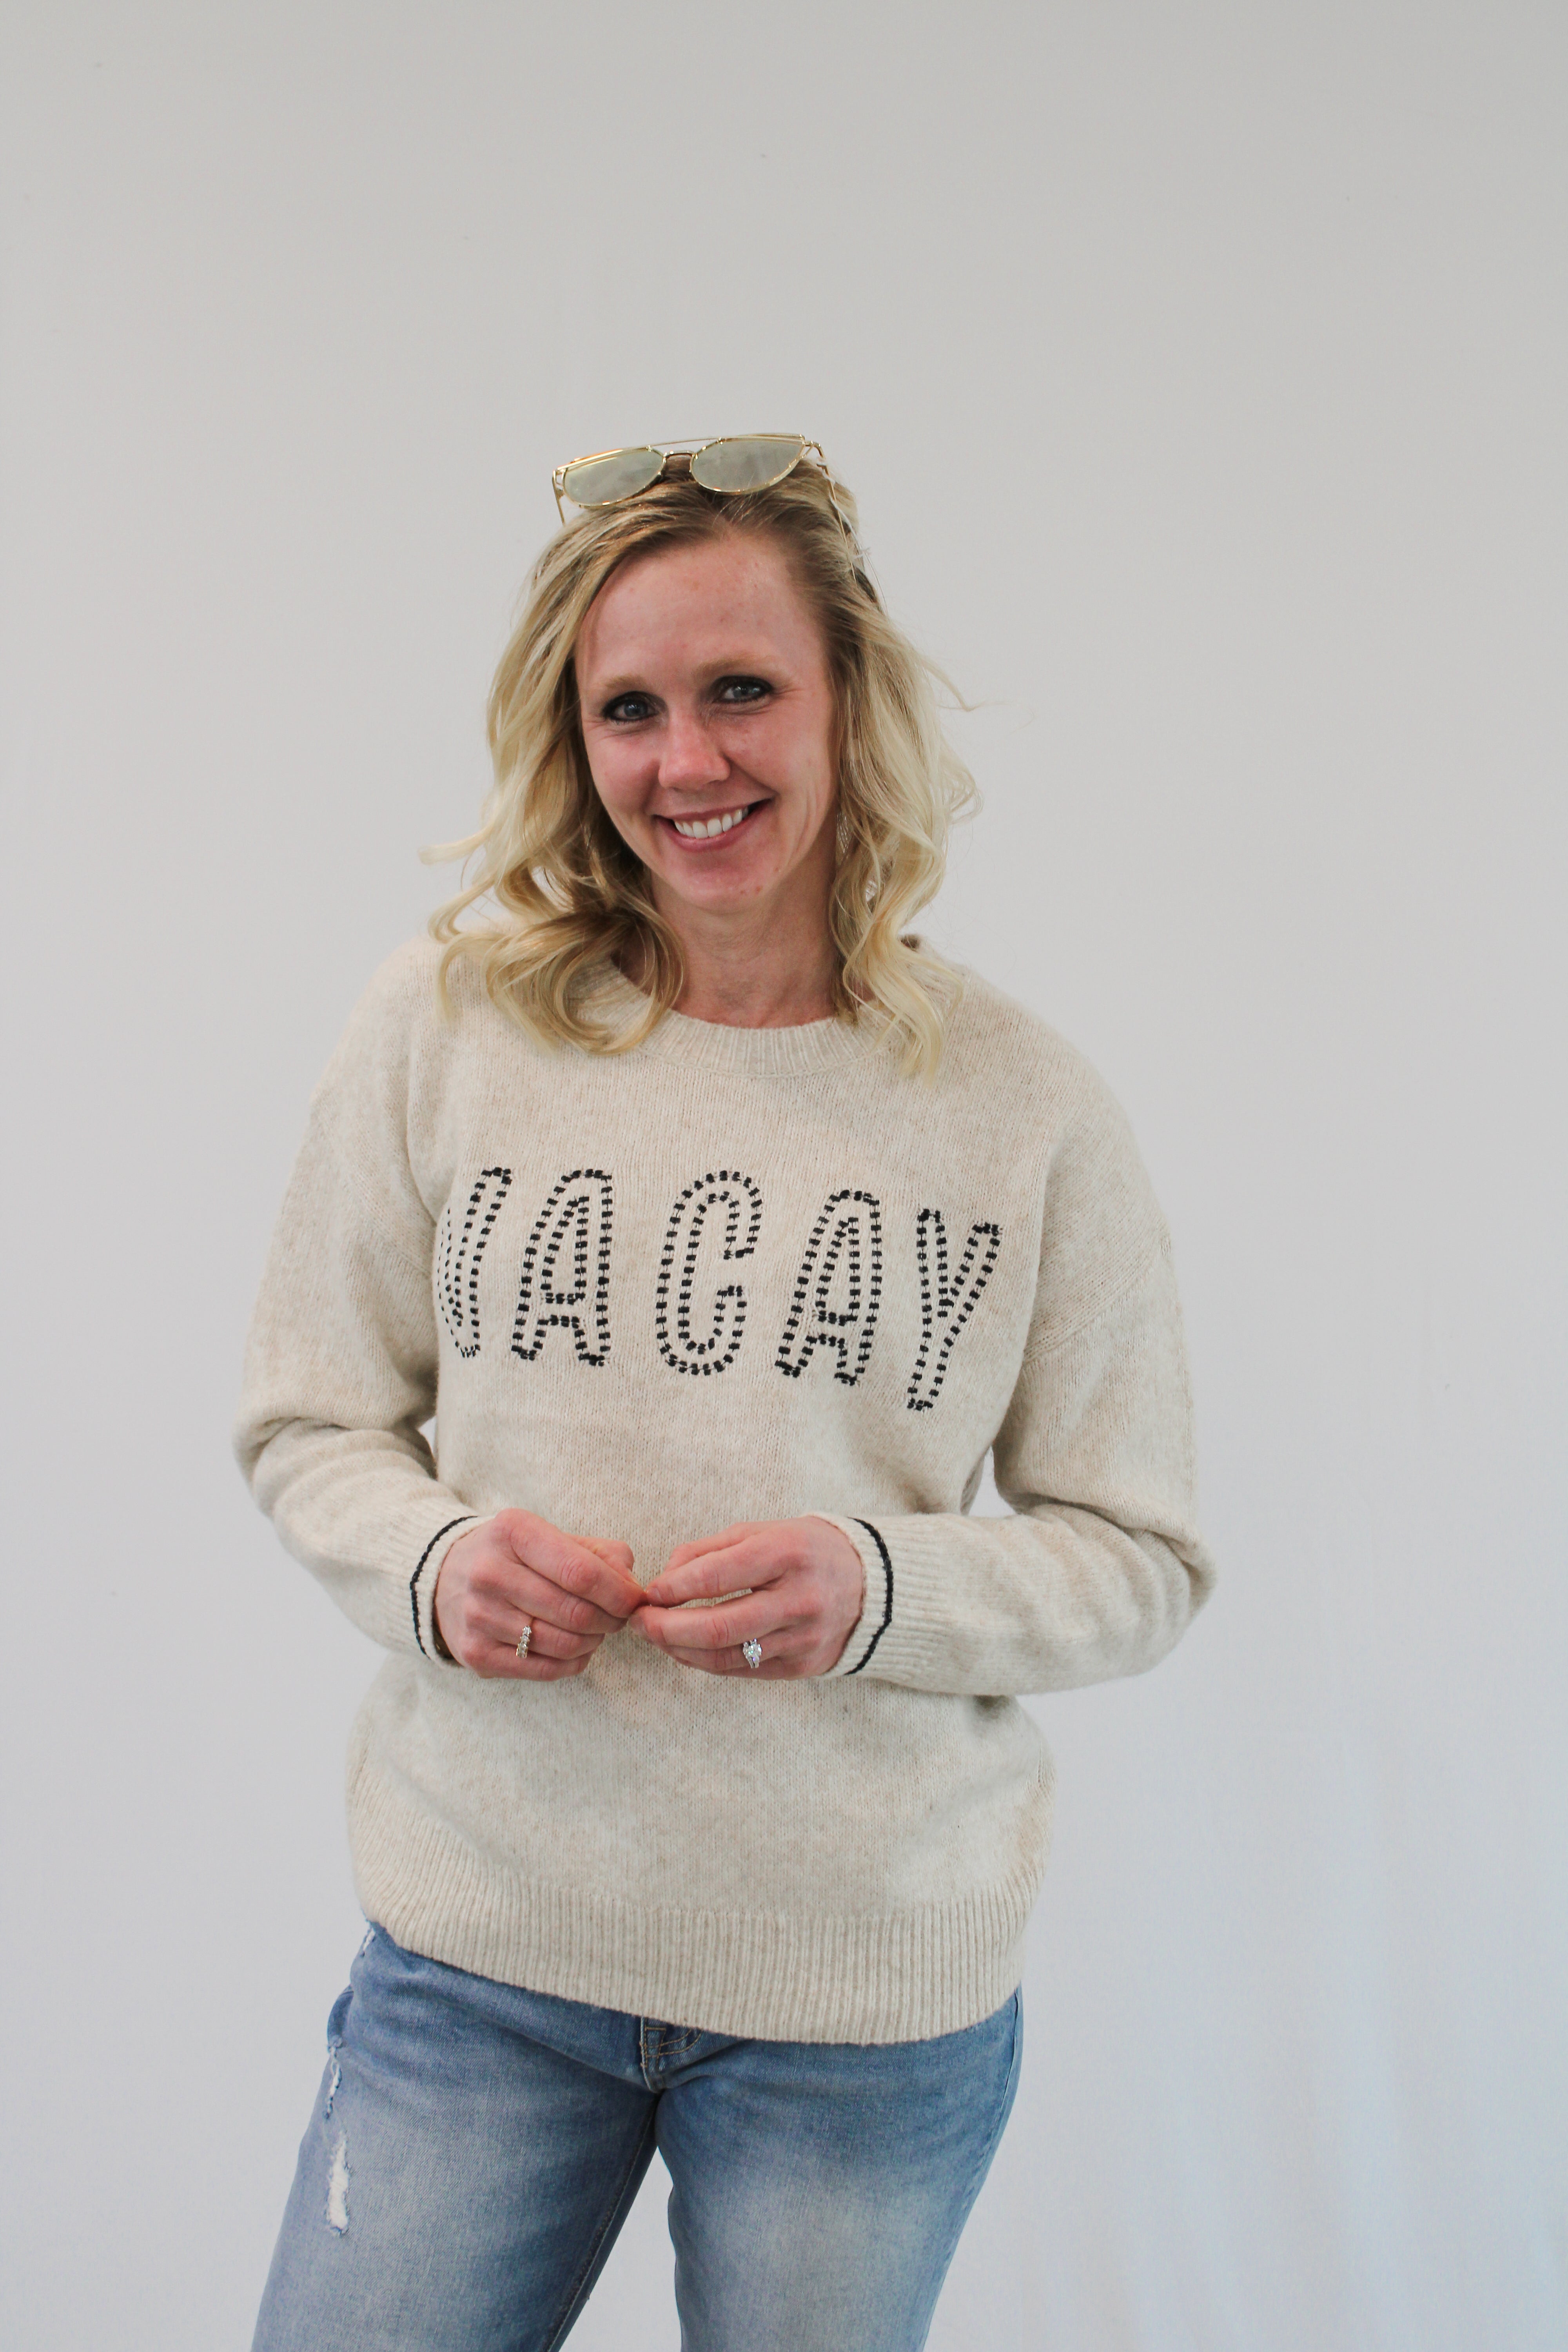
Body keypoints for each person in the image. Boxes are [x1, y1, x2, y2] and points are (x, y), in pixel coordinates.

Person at [235, 433, 1215, 2352]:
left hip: (862, 2003)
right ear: (574, 737)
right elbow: (307, 1417)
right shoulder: (446, 1026)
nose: (687, 761)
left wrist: (884, 1587)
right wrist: (433, 1562)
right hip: (483, 1953)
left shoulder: (1026, 1109)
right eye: (630, 708)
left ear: (850, 702)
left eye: (742, 689)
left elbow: (1141, 1554)